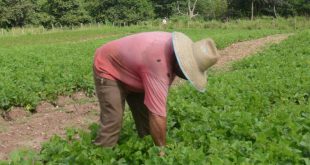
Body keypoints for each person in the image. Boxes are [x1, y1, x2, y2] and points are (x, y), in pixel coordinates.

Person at [92, 31, 219, 151]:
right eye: (188, 71)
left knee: (146, 122)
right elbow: (157, 114)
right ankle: (100, 155)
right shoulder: (159, 64)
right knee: (113, 119)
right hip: (108, 66)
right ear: (181, 62)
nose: (187, 76)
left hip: (136, 69)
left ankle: (147, 150)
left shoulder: (174, 53)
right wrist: (162, 151)